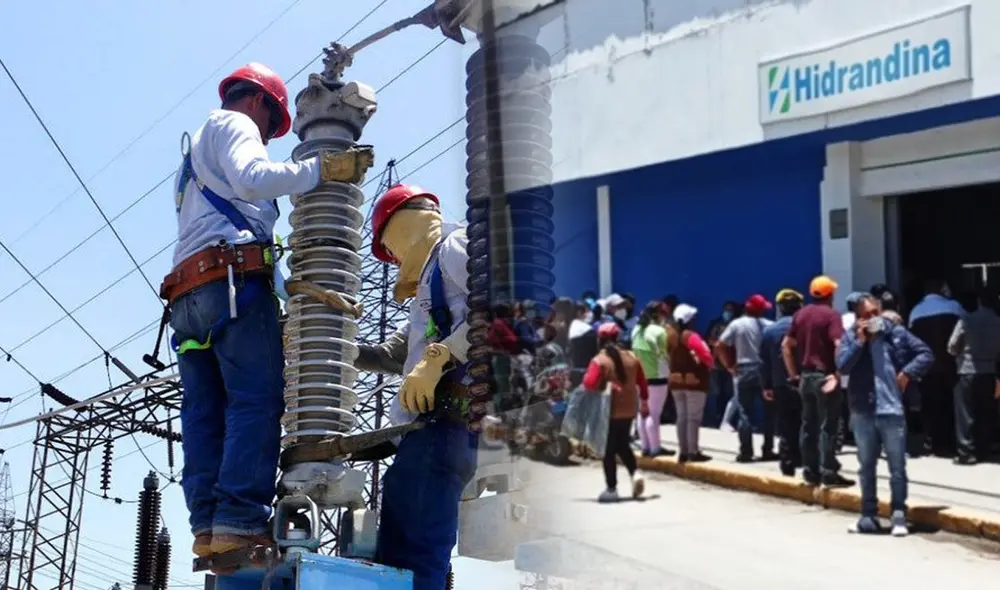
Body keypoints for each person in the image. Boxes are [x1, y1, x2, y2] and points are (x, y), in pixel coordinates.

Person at [160, 63, 373, 558]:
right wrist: (323, 169)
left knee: (204, 414)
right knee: (255, 401)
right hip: (231, 286)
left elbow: (228, 220)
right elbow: (255, 179)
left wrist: (287, 284)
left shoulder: (191, 161)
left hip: (189, 295)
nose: (266, 138)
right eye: (271, 127)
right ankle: (239, 519)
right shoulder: (233, 124)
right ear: (259, 103)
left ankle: (209, 527)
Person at [355, 183, 479, 590]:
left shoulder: (456, 246)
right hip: (430, 432)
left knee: (412, 559)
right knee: (403, 554)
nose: (390, 260)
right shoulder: (429, 283)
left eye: (386, 248)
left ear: (402, 225)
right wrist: (328, 344)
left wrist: (442, 356)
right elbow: (393, 355)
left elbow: (503, 309)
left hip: (444, 424)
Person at [837, 294, 933, 536]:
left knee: (897, 467)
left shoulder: (896, 333)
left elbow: (925, 353)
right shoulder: (850, 336)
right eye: (866, 316)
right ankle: (868, 516)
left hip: (891, 408)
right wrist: (860, 342)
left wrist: (907, 373)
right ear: (858, 319)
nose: (872, 319)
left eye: (874, 314)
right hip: (863, 409)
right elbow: (843, 366)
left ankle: (898, 514)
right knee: (866, 465)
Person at [781, 276, 853, 487]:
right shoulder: (831, 316)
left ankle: (809, 470)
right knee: (828, 425)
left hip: (805, 376)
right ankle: (828, 470)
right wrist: (839, 373)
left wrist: (794, 374)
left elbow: (786, 345)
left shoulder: (800, 315)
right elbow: (839, 344)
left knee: (808, 425)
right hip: (825, 376)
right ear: (830, 294)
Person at [582, 323, 648, 502]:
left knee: (608, 450)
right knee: (622, 444)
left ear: (600, 339)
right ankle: (635, 474)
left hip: (608, 411)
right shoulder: (632, 358)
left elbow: (589, 383)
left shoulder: (600, 360)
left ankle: (611, 489)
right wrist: (644, 403)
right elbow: (642, 382)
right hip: (629, 409)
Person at [716, 294, 775, 462]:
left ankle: (746, 452)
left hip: (743, 369)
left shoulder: (736, 324)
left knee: (745, 413)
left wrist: (728, 366)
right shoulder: (769, 326)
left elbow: (720, 345)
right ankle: (768, 449)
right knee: (769, 412)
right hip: (764, 370)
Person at [908, 278, 964, 456]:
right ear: (941, 289)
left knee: (930, 406)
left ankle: (932, 441)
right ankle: (952, 442)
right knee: (952, 405)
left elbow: (911, 342)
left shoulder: (916, 311)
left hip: (927, 368)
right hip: (951, 365)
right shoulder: (955, 307)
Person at [947, 289, 1000, 464]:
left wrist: (959, 355)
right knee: (986, 412)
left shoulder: (967, 319)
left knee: (965, 413)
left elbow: (952, 345)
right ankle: (984, 449)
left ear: (979, 301)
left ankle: (966, 452)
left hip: (967, 370)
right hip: (990, 371)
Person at [761, 289, 805, 476]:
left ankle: (787, 461)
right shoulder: (804, 327)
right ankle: (804, 459)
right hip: (803, 381)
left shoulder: (769, 330)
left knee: (785, 425)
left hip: (779, 383)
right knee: (806, 422)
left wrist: (766, 385)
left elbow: (764, 361)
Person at [668, 304, 715, 462]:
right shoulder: (690, 335)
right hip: (693, 381)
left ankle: (683, 450)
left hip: (675, 380)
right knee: (693, 418)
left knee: (681, 417)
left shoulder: (670, 335)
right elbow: (705, 354)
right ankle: (693, 451)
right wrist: (710, 365)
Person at [631, 301, 673, 457]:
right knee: (654, 414)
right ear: (660, 315)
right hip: (657, 377)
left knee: (642, 413)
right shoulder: (659, 331)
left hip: (639, 377)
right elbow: (664, 353)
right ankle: (655, 449)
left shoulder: (636, 330)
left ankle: (645, 447)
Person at [706, 301, 739, 428]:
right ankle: (719, 416)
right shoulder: (715, 324)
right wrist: (719, 344)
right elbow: (708, 339)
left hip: (732, 364)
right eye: (726, 309)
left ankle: (729, 419)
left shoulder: (735, 324)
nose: (728, 312)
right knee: (718, 392)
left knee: (730, 392)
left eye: (730, 310)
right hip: (717, 364)